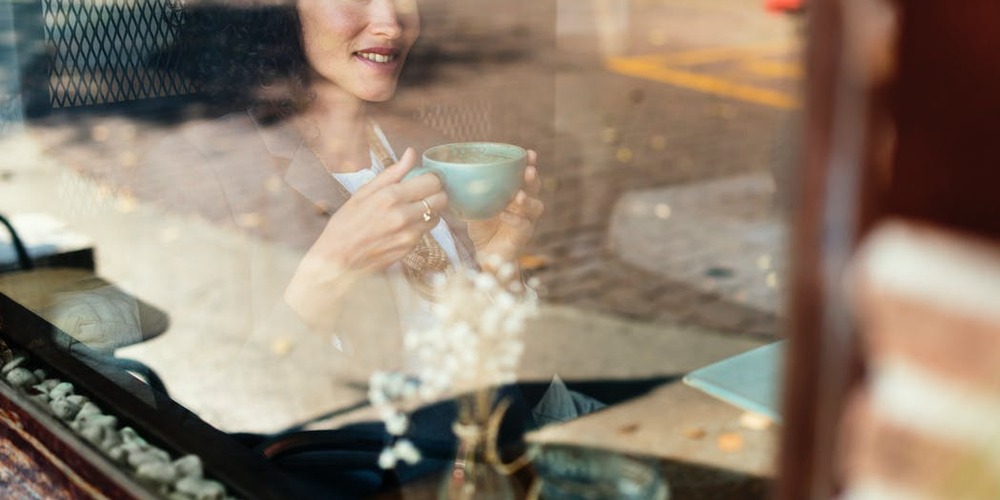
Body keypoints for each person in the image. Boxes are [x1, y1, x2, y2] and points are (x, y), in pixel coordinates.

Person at [119, 0, 546, 495]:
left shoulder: (426, 149)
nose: (390, 20)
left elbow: (509, 381)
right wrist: (332, 268)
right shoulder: (201, 171)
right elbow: (204, 413)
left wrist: (498, 263)